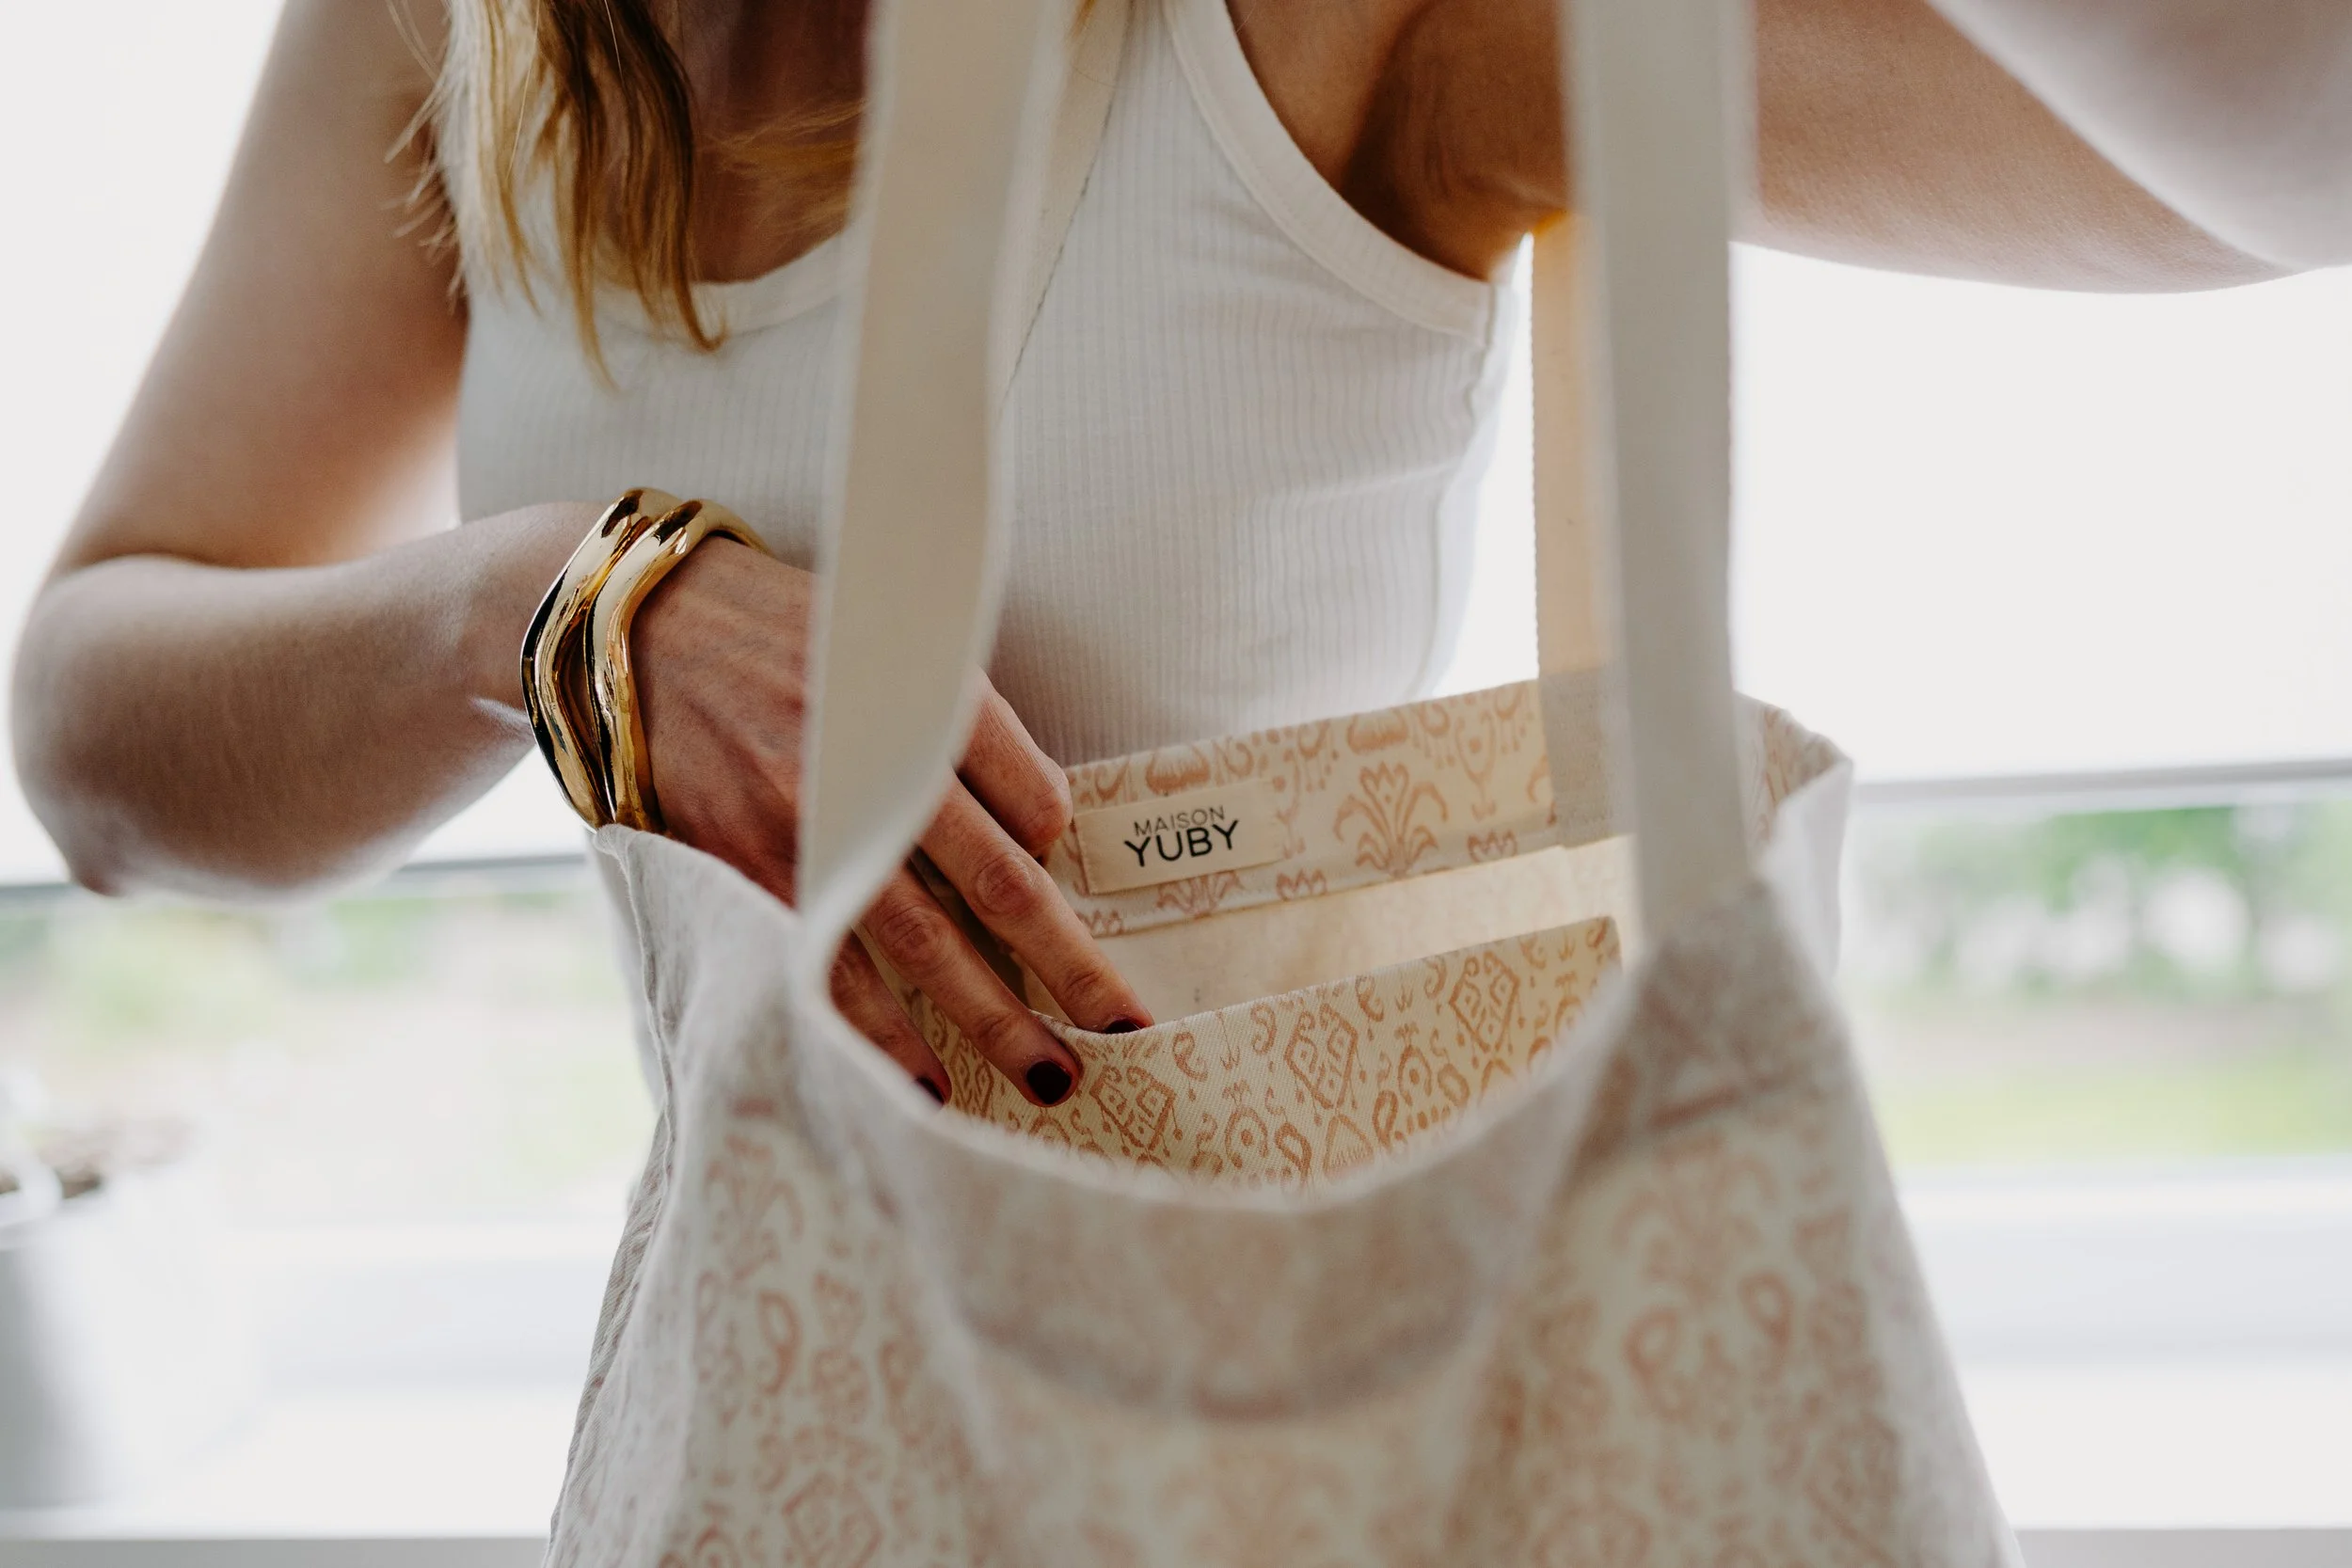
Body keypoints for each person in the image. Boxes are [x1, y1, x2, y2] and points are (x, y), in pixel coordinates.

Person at [11, 0, 2328, 1111]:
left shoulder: (1297, 29)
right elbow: (96, 745)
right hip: (794, 1396)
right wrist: (551, 606)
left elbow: (2271, 163)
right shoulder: (468, 39)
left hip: (1318, 1392)